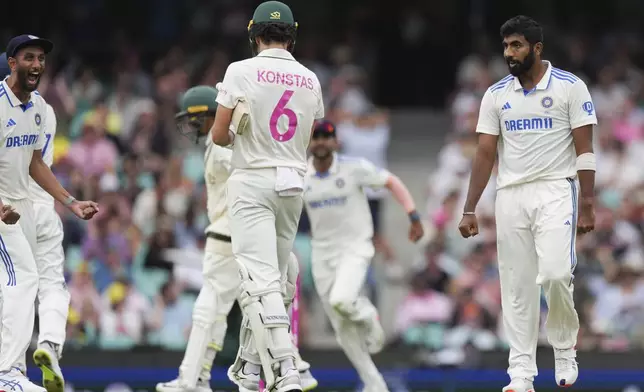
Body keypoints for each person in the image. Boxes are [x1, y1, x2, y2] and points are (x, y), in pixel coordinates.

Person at [457, 16, 597, 392]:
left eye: (516, 45)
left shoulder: (571, 87)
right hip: (511, 196)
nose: (509, 53)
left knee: (554, 274)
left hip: (555, 189)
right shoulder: (496, 95)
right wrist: (470, 208)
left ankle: (564, 348)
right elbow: (485, 154)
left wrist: (587, 204)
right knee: (516, 288)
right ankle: (521, 373)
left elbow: (585, 151)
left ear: (537, 48)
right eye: (505, 46)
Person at [157, 86, 317, 392]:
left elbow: (253, 182)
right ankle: (293, 367)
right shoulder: (227, 144)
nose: (191, 127)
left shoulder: (224, 147)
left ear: (211, 115)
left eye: (195, 120)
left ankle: (192, 380)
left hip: (231, 233)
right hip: (244, 233)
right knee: (249, 307)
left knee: (210, 309)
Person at [210, 1, 324, 391]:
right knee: (275, 276)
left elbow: (218, 135)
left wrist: (241, 125)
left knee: (260, 281)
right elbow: (307, 133)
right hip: (292, 182)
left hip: (252, 179)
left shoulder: (239, 70)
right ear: (292, 34)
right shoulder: (310, 78)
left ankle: (288, 367)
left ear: (253, 33)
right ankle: (250, 367)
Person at [0, 35, 99, 392]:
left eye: (41, 58)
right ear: (12, 63)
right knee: (25, 280)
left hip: (24, 207)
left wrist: (71, 202)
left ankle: (13, 371)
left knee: (19, 285)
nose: (37, 64)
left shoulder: (39, 107)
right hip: (2, 207)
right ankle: (7, 371)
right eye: (29, 57)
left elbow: (35, 164)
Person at [303, 120, 424, 392]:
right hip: (322, 253)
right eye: (316, 137)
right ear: (308, 142)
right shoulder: (300, 176)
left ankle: (368, 313)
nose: (321, 141)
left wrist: (413, 215)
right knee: (341, 329)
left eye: (327, 136)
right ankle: (375, 384)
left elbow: (391, 181)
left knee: (342, 300)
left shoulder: (353, 168)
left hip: (355, 247)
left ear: (336, 142)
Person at [0, 51, 71, 392]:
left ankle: (10, 369)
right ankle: (50, 344)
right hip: (43, 208)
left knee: (15, 285)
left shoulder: (12, 108)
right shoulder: (45, 108)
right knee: (51, 284)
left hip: (16, 207)